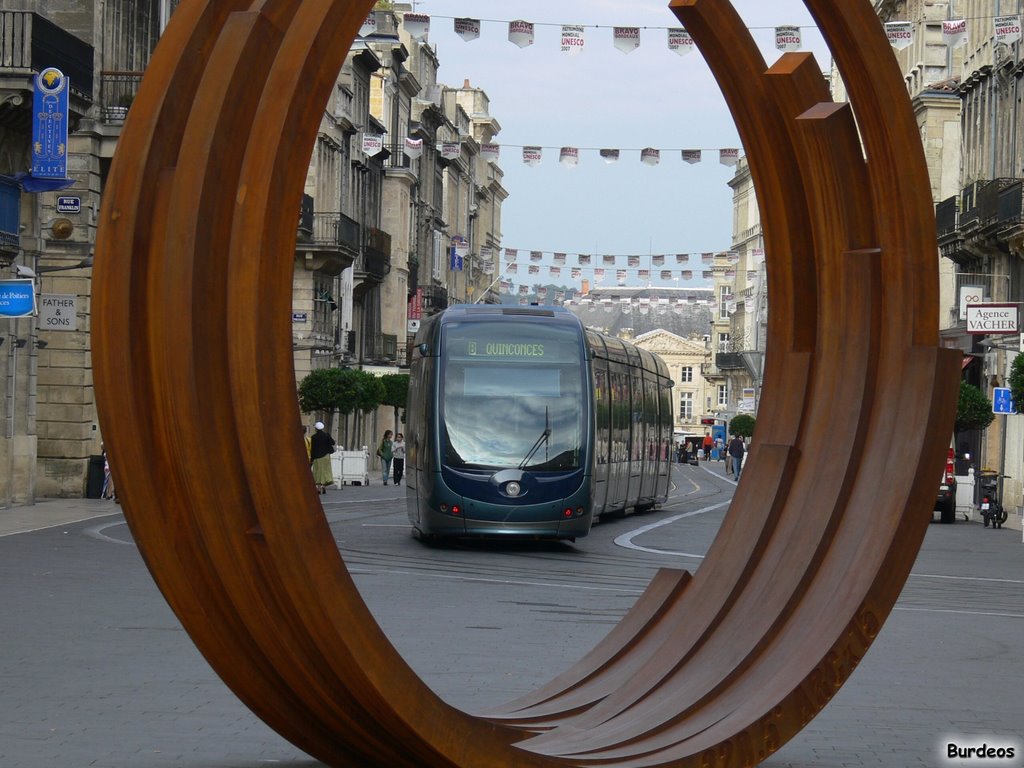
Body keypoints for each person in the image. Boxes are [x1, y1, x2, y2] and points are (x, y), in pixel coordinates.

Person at [309, 421, 335, 495]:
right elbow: (333, 443)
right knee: (325, 471)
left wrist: (312, 459)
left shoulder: (313, 437)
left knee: (317, 471)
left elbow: (312, 449)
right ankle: (324, 486)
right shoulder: (326, 435)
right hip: (326, 456)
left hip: (317, 457)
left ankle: (318, 487)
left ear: (316, 429)